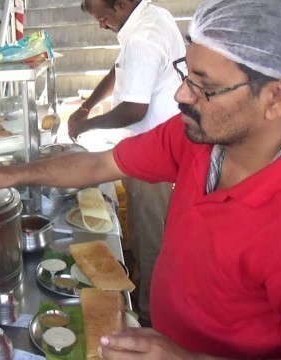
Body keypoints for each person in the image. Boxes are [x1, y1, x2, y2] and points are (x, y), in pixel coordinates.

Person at [0, 0, 281, 358]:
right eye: (187, 74)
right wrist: (5, 176)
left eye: (206, 86)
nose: (181, 95)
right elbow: (98, 165)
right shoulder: (196, 140)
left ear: (276, 97)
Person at [67, 0, 185, 324]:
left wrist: (86, 125)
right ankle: (141, 285)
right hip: (156, 148)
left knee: (151, 240)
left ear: (120, 4)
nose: (101, 26)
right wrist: (85, 107)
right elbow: (119, 70)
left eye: (103, 18)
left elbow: (135, 109)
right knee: (144, 233)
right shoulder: (152, 15)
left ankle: (150, 318)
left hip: (154, 158)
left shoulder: (142, 38)